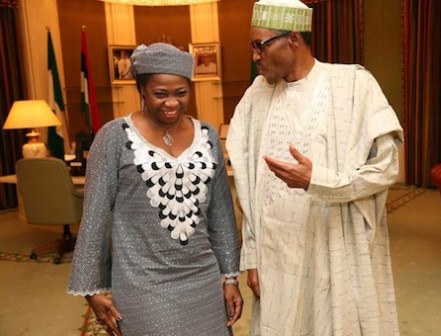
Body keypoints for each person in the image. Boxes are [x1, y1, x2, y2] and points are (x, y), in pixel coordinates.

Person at [226, 0, 404, 335]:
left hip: (332, 244)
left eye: (259, 46)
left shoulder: (352, 84)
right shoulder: (256, 96)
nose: (254, 57)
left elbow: (385, 167)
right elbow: (248, 189)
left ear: (292, 38)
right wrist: (252, 259)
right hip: (276, 253)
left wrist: (318, 181)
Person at [68, 42, 243, 336]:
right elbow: (94, 216)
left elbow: (222, 214)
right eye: (160, 94)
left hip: (203, 279)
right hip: (142, 282)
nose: (172, 102)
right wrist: (91, 289)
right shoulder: (113, 137)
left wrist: (230, 277)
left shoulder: (207, 135)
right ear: (142, 91)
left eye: (180, 93)